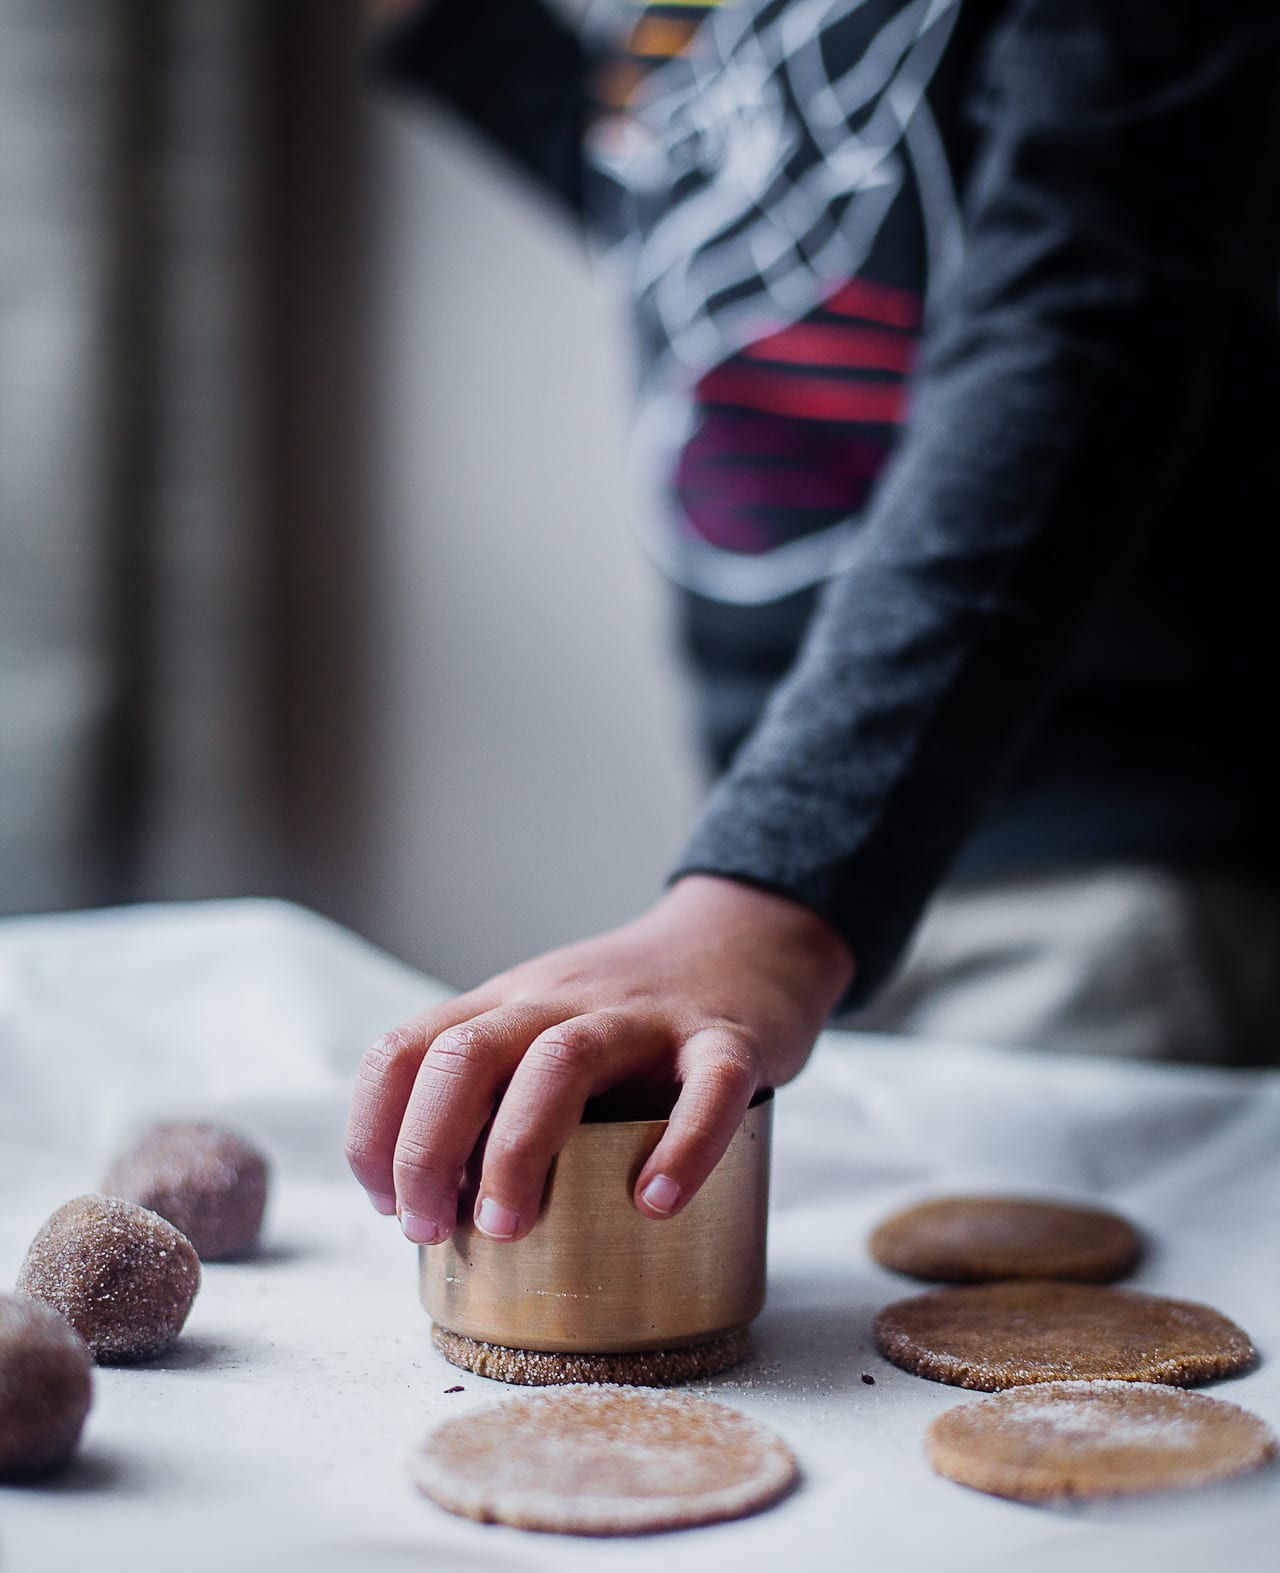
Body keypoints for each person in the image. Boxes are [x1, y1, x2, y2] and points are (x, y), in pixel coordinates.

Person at [346, 0, 1280, 1251]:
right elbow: (689, 209)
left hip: (1083, 888)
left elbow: (1076, 315)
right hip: (801, 881)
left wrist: (774, 891)